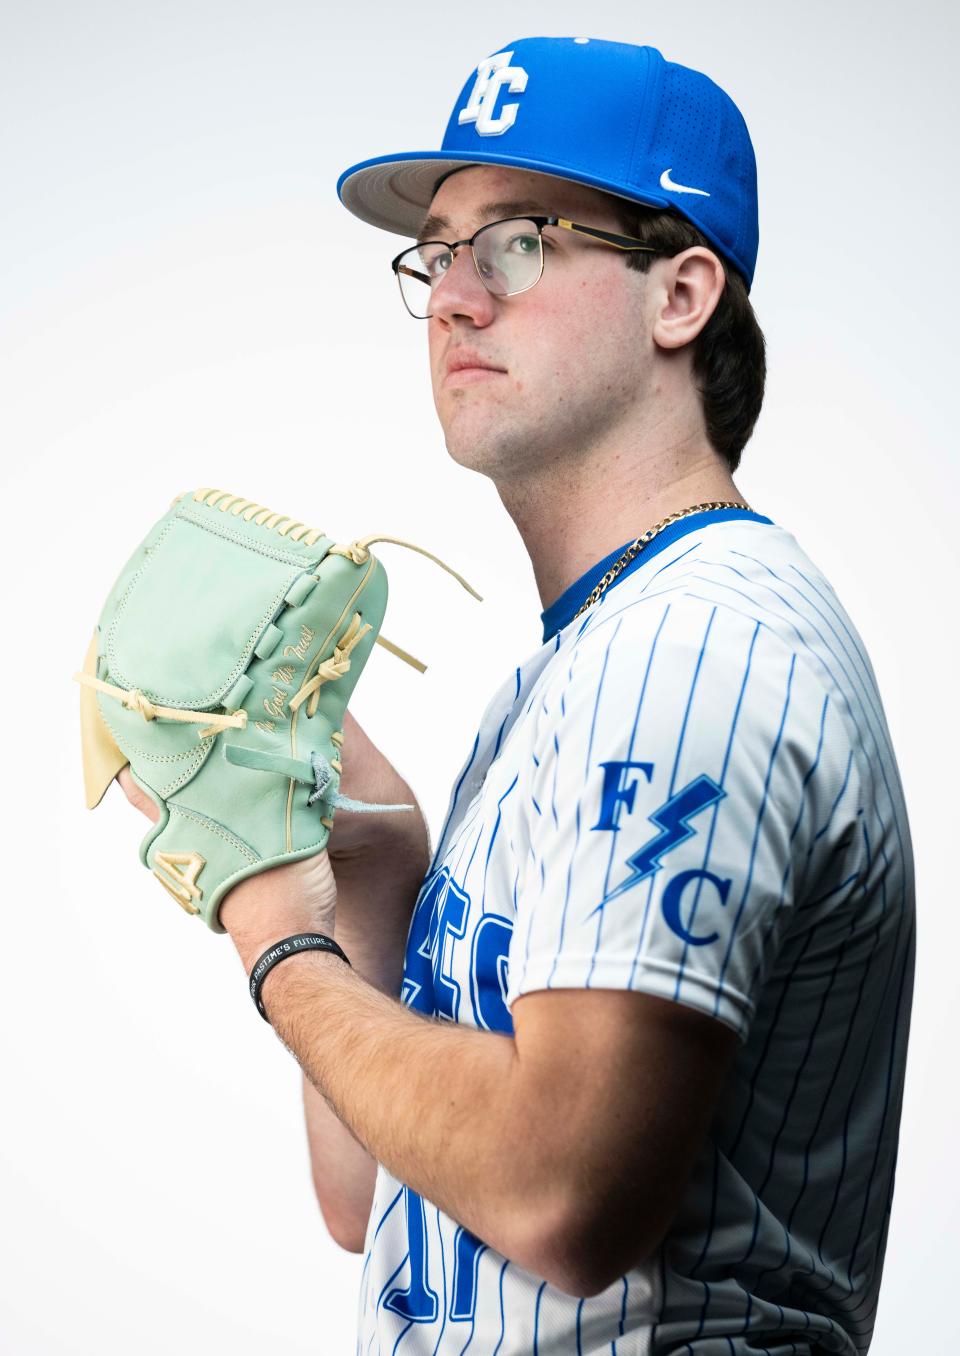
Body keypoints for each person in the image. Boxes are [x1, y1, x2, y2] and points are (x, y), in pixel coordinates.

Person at [122, 36, 915, 1354]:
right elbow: (376, 1194)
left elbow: (559, 1198)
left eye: (522, 242)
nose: (453, 298)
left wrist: (278, 949)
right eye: (438, 251)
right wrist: (373, 887)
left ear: (682, 295)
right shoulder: (582, 661)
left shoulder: (693, 652)